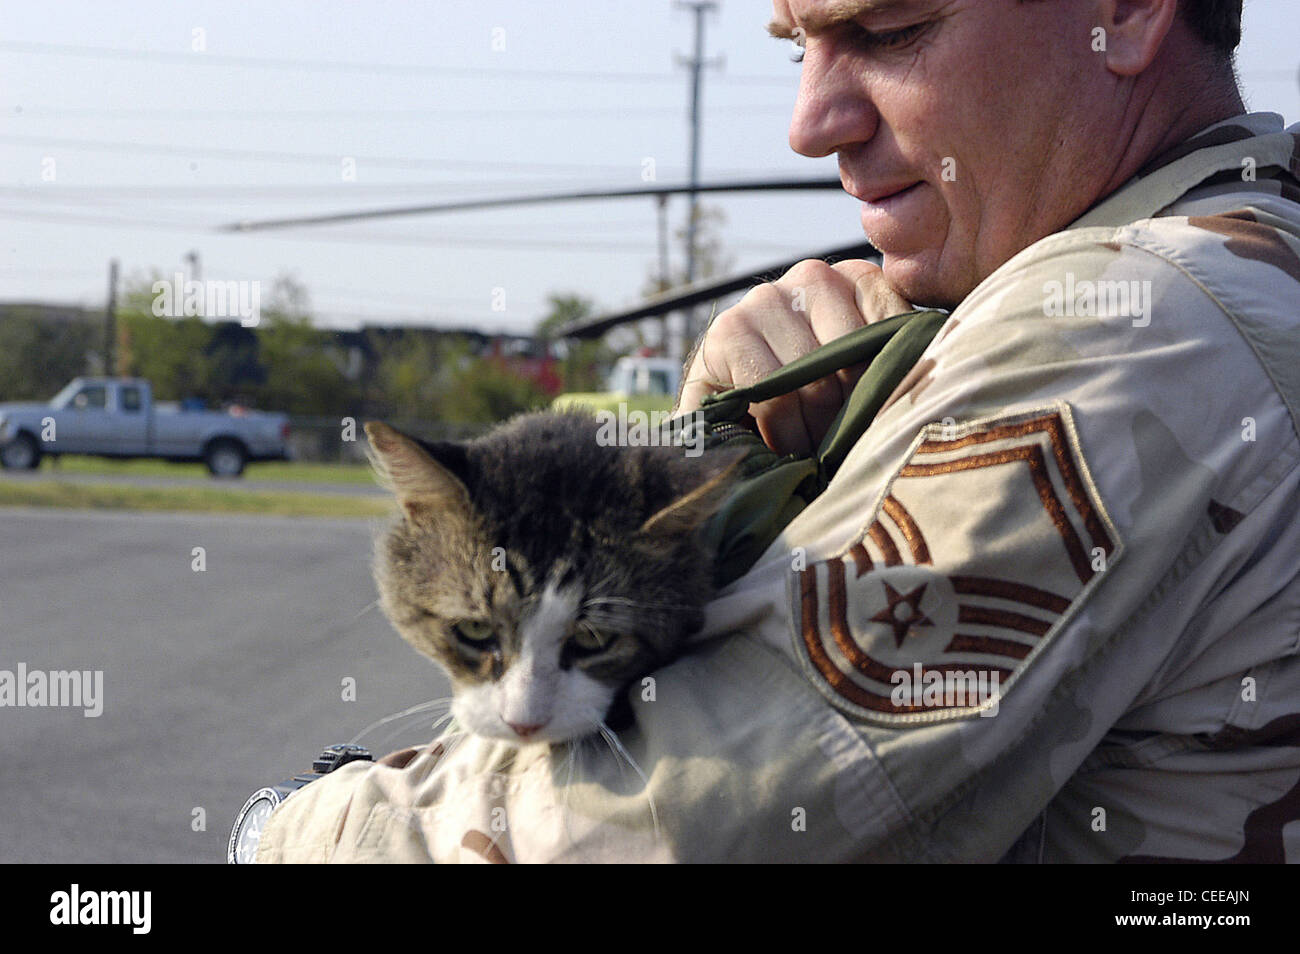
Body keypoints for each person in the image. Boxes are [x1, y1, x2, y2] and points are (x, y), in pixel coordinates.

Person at [256, 0, 1300, 862]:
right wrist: (714, 459)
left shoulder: (1129, 325)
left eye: (891, 32)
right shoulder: (1253, 259)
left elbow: (682, 820)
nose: (809, 122)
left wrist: (285, 833)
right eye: (800, 47)